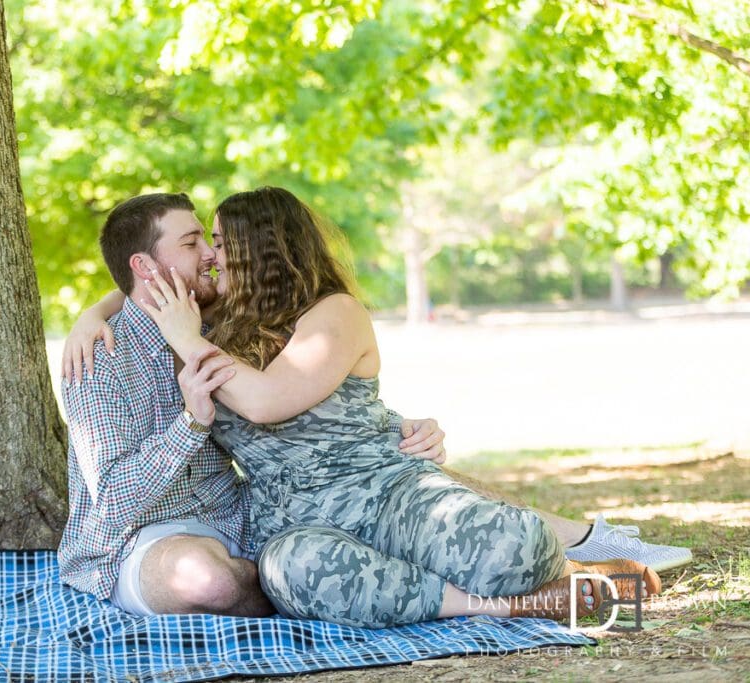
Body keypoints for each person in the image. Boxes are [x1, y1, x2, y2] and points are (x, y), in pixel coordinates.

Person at [72, 187, 675, 627]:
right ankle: (520, 603)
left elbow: (276, 403)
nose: (209, 254)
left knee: (508, 545)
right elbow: (138, 288)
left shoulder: (233, 324)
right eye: (200, 241)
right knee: (295, 574)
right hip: (281, 526)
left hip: (373, 497)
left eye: (219, 243)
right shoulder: (187, 330)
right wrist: (94, 315)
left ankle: (582, 561)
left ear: (262, 253)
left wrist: (406, 428)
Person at [57, 192, 440, 619]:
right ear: (144, 266)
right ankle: (296, 590)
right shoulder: (98, 358)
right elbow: (111, 500)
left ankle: (328, 584)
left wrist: (398, 427)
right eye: (191, 244)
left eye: (208, 240)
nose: (211, 255)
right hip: (142, 537)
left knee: (351, 530)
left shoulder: (218, 326)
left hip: (241, 517)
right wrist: (189, 425)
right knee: (207, 579)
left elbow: (301, 396)